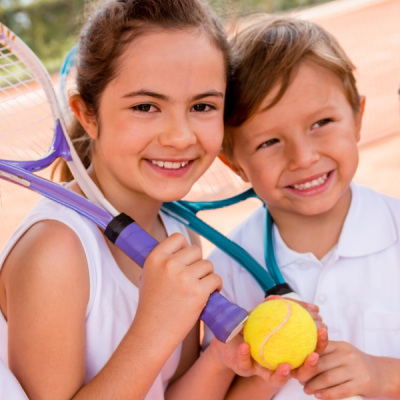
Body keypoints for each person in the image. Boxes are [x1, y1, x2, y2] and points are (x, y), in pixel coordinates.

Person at [0, 2, 327, 399]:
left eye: (202, 106)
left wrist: (223, 358)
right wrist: (156, 326)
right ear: (87, 114)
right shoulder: (55, 251)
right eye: (145, 107)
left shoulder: (179, 234)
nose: (180, 136)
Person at [204, 14, 400, 400]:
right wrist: (263, 373)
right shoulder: (223, 274)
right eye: (268, 142)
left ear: (358, 118)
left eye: (322, 122)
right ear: (234, 163)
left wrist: (384, 376)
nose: (303, 157)